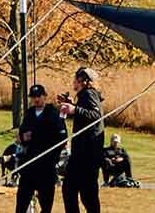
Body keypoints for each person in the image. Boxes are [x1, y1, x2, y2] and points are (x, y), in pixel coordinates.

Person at [16, 84, 68, 213]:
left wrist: (36, 137)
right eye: (33, 97)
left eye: (39, 96)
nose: (36, 99)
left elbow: (62, 138)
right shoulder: (29, 114)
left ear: (44, 96)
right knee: (22, 201)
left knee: (46, 203)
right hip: (29, 164)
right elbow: (21, 135)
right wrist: (23, 138)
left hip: (46, 165)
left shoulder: (53, 114)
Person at [60, 67, 105, 213]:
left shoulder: (89, 93)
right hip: (83, 153)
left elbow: (95, 115)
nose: (73, 82)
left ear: (83, 81)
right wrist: (73, 105)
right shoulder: (85, 95)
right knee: (73, 189)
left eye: (76, 79)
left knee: (83, 193)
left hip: (87, 154)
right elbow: (86, 114)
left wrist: (74, 110)